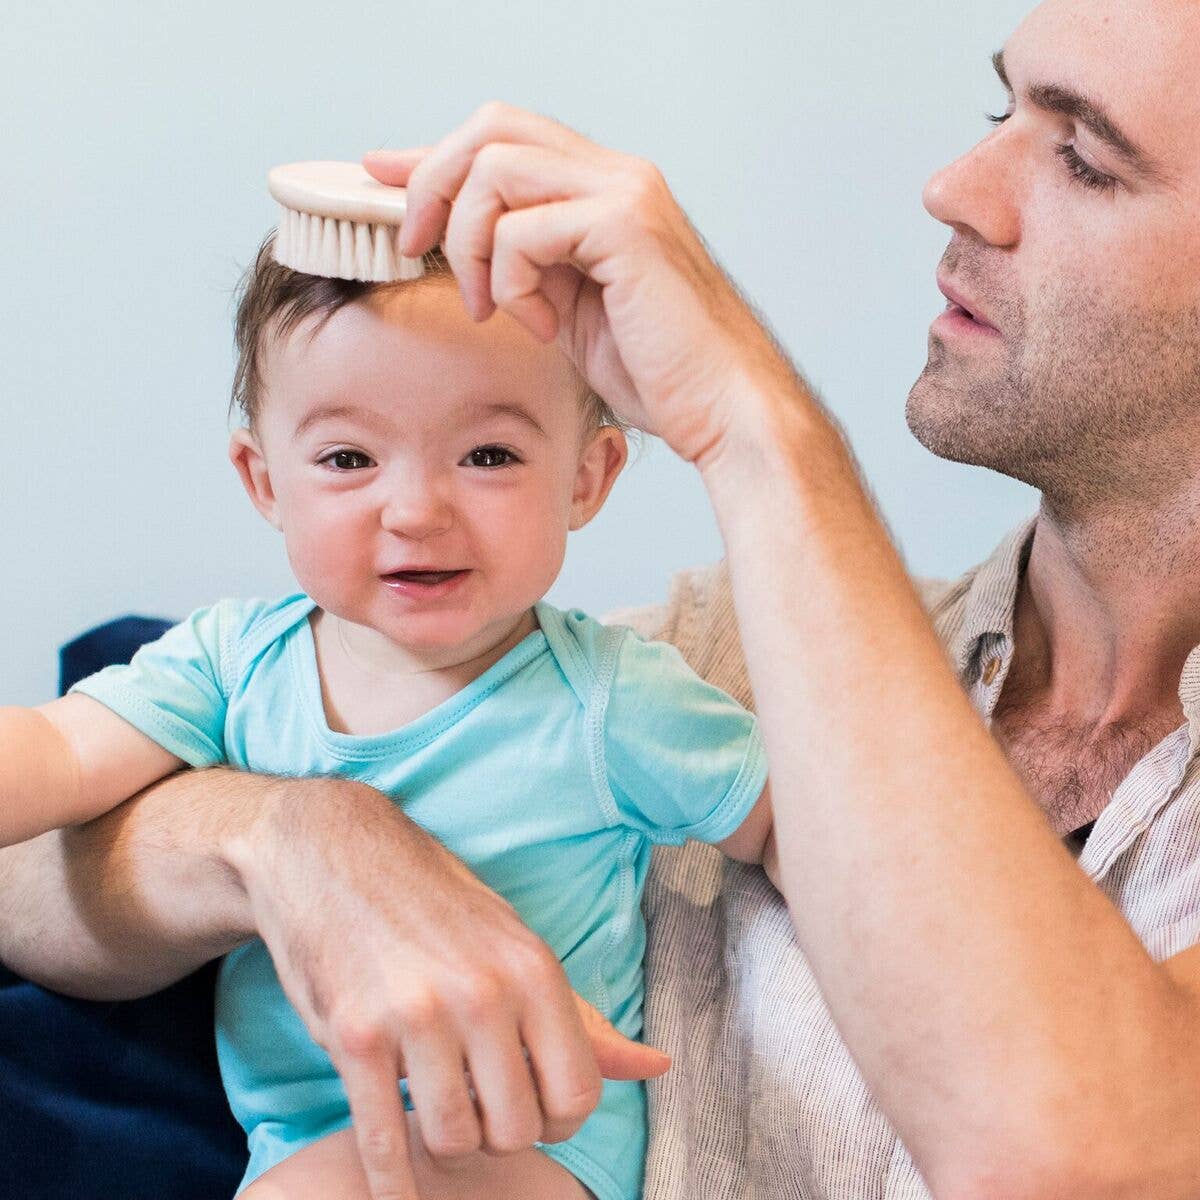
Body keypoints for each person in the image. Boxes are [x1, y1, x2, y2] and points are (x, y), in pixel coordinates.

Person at [4, 0, 1200, 1196]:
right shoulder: (715, 645)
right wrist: (295, 841)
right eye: (1000, 112)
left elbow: (1079, 1160)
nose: (952, 186)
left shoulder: (637, 698)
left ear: (588, 476)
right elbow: (29, 889)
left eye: (1084, 157)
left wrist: (757, 430)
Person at [2, 236, 780, 1200]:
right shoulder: (232, 663)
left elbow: (802, 823)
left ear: (588, 476)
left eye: (488, 454)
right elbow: (56, 752)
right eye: (348, 458)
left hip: (526, 1134)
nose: (415, 508)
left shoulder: (611, 698)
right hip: (295, 1133)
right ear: (264, 482)